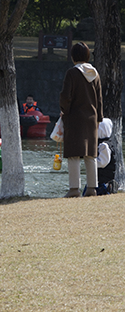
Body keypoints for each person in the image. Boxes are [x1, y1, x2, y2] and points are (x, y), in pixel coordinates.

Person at [60, 42, 103, 198]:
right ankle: (92, 188)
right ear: (87, 56)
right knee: (90, 155)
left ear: (73, 57)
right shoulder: (95, 74)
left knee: (73, 154)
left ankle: (74, 189)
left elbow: (65, 96)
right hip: (92, 119)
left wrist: (64, 111)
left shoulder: (72, 73)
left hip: (74, 118)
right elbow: (99, 99)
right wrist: (99, 118)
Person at [83, 118, 115, 196]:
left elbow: (103, 162)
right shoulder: (100, 144)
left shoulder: (104, 145)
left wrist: (91, 162)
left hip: (103, 181)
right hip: (99, 179)